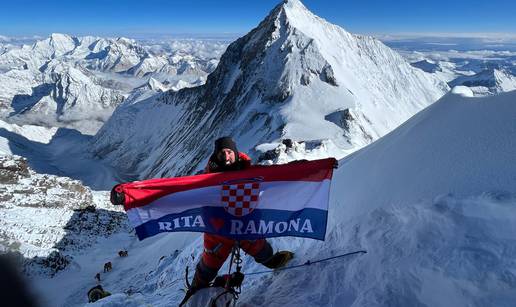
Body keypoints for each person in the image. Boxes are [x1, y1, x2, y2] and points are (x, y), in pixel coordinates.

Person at [190, 137, 293, 291]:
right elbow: (181, 189)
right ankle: (195, 290)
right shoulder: (206, 180)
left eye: (229, 152)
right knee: (207, 269)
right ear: (216, 155)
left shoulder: (250, 172)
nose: (226, 157)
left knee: (264, 252)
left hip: (245, 228)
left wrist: (314, 167)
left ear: (236, 153)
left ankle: (273, 261)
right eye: (222, 153)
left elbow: (280, 173)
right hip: (218, 234)